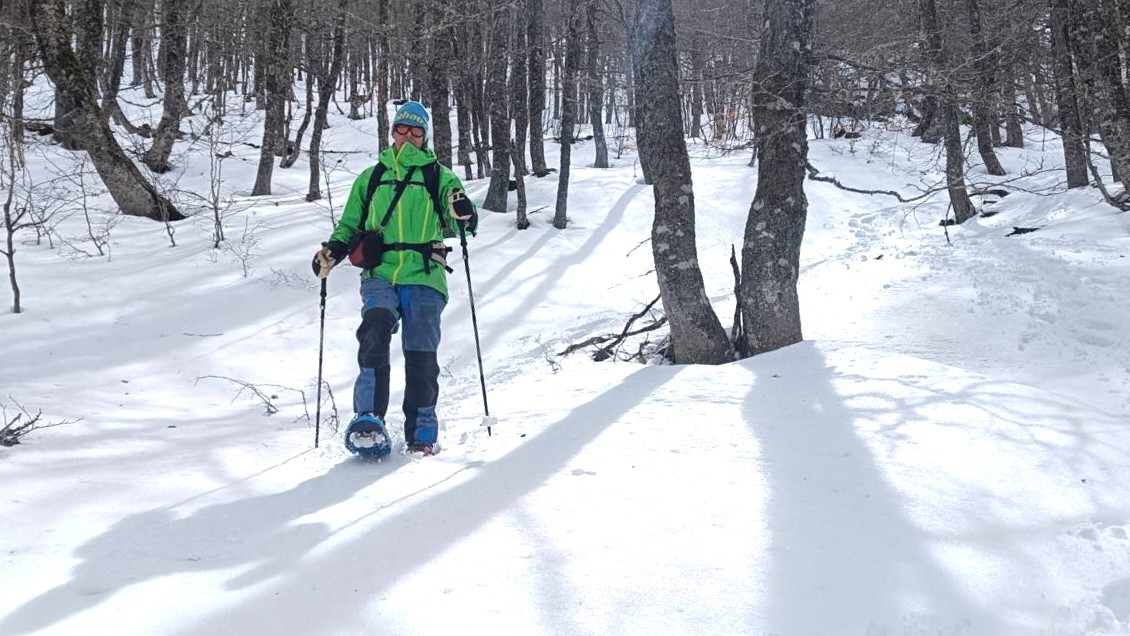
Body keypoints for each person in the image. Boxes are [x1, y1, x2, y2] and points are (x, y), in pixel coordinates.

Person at [312, 101, 477, 456]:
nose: (408, 136)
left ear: (424, 137)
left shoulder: (439, 176)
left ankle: (421, 435)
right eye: (402, 129)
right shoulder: (372, 177)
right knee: (374, 331)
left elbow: (462, 218)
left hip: (425, 275)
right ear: (393, 132)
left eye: (416, 131)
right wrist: (333, 251)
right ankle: (368, 419)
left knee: (421, 355)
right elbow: (349, 224)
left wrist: (463, 212)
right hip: (380, 273)